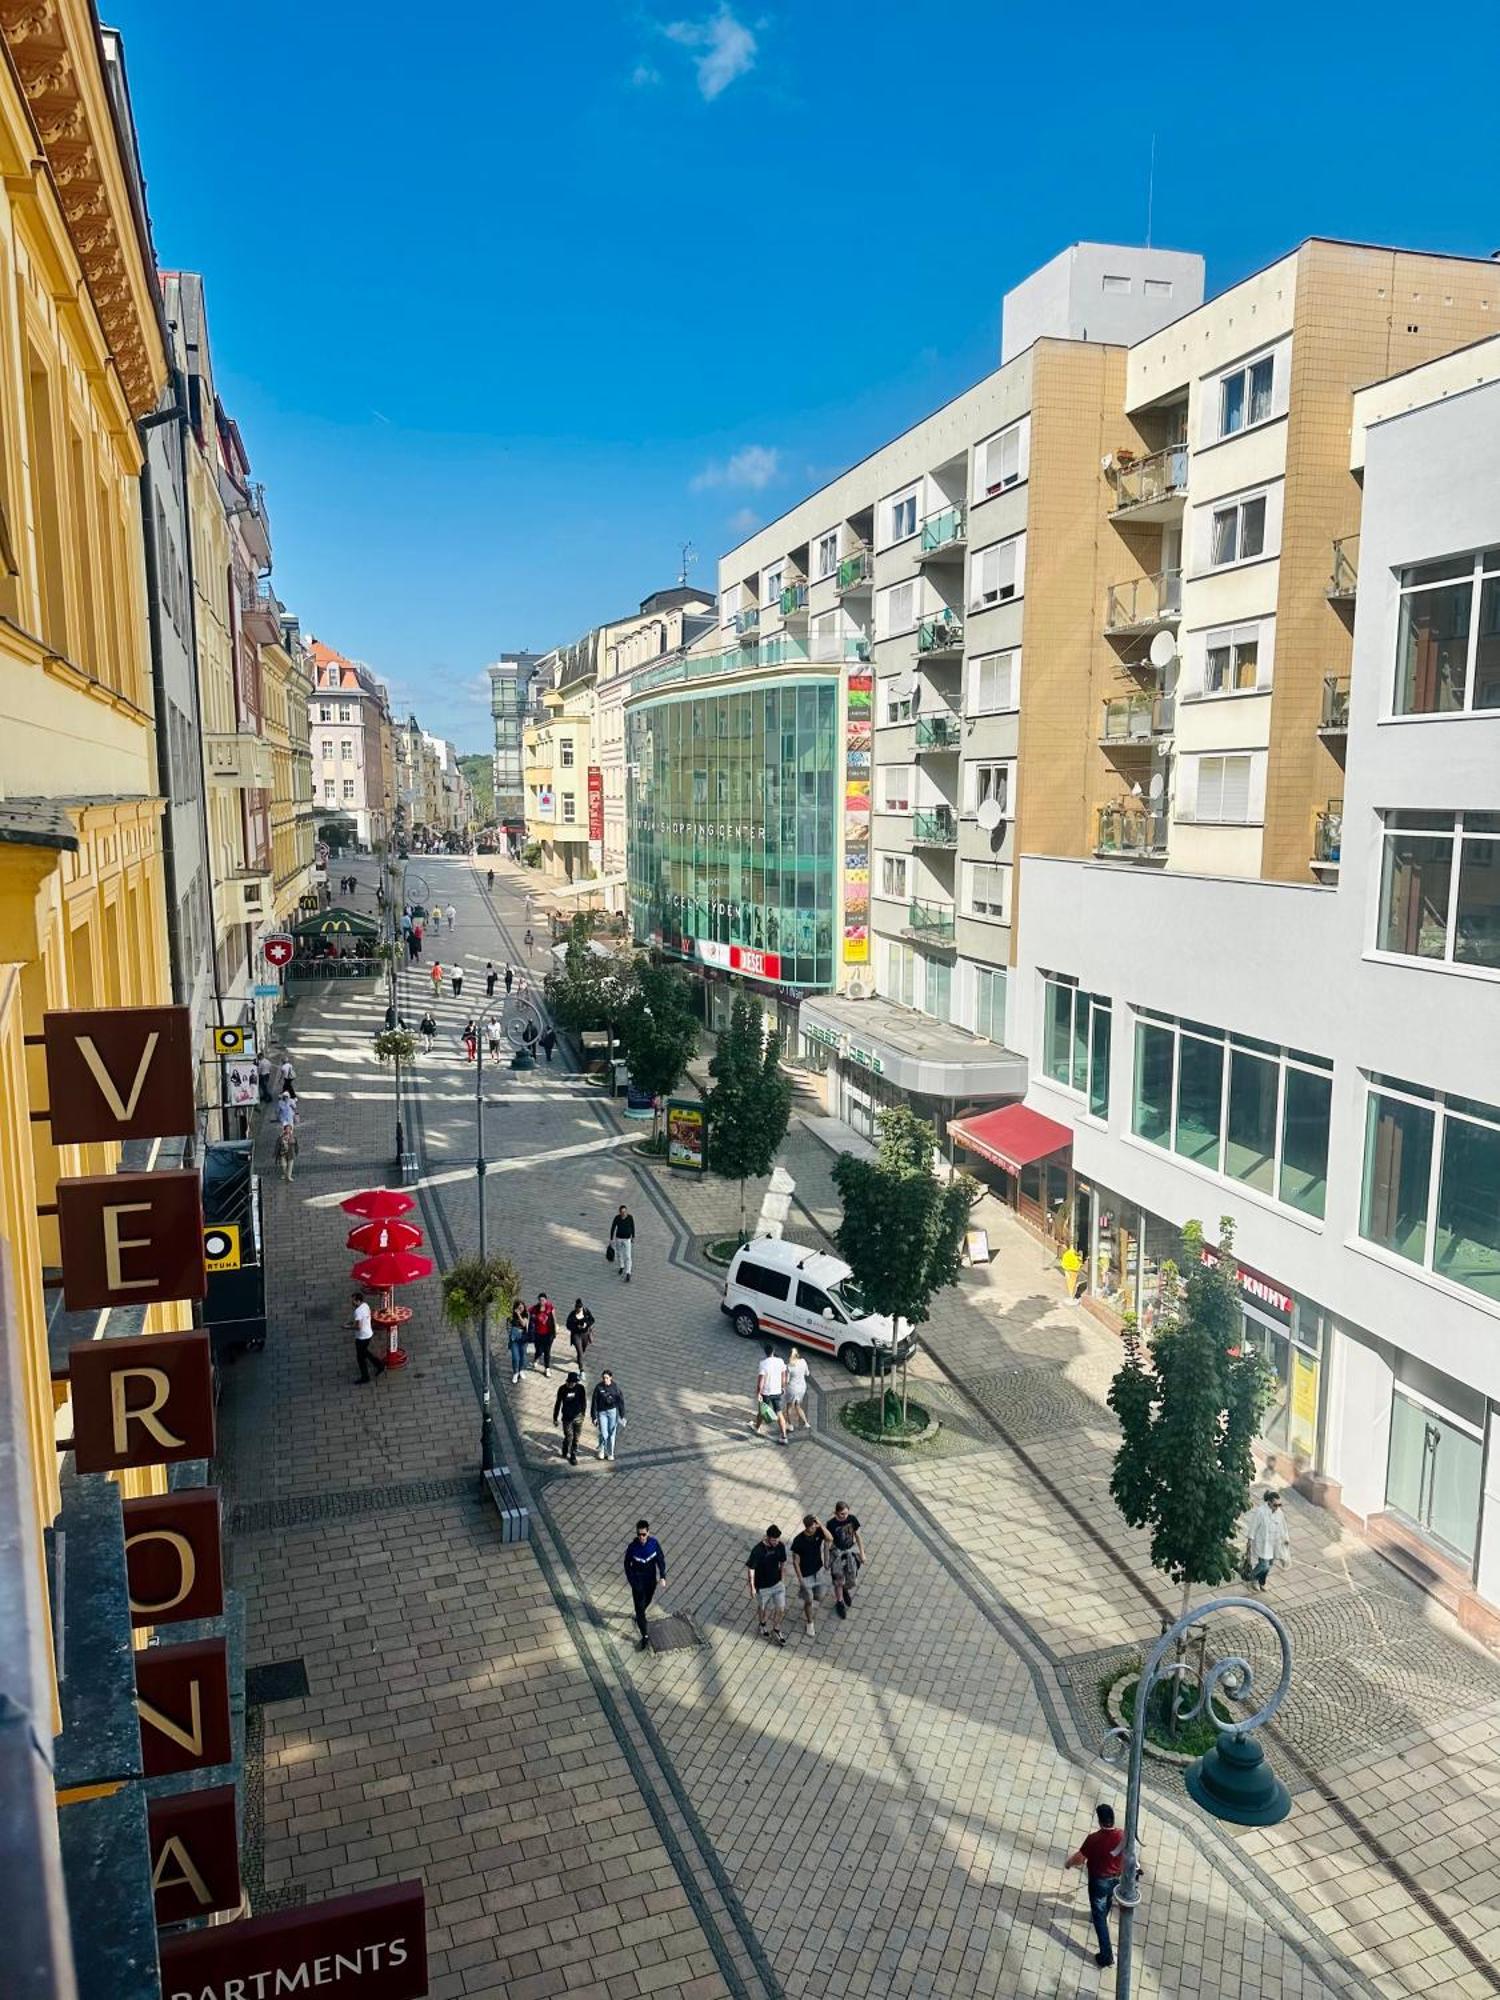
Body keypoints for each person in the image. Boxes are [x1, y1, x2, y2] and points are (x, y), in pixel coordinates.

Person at [1066, 1804, 1128, 1969]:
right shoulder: (1122, 1835)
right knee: (1106, 1901)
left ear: (1100, 1821)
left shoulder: (1093, 1839)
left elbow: (1079, 1858)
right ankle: (1102, 1913)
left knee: (1099, 1917)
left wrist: (1068, 1863)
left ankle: (1106, 1955)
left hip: (1099, 1881)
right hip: (1116, 1878)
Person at [624, 1520, 666, 1649]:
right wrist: (633, 1582)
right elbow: (627, 1565)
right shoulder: (632, 1548)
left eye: (643, 1534)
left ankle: (640, 1615)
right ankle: (645, 1636)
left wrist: (663, 1576)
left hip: (650, 1582)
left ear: (648, 1532)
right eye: (639, 1534)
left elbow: (660, 1560)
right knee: (640, 1609)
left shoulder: (654, 1544)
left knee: (646, 1602)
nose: (641, 1537)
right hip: (638, 1583)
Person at [746, 1525, 788, 1645]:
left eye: (778, 1539)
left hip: (777, 1584)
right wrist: (752, 1587)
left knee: (781, 1608)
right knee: (764, 1608)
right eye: (774, 1540)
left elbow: (783, 1562)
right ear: (767, 1537)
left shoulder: (780, 1546)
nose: (777, 1542)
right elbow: (751, 1569)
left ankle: (777, 1629)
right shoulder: (758, 1551)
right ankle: (763, 1624)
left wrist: (782, 1579)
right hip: (762, 1586)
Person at [791, 1515, 831, 1637]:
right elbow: (795, 1562)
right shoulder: (798, 1540)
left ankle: (809, 1602)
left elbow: (830, 1538)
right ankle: (810, 1623)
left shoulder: (819, 1531)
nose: (814, 1529)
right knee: (809, 1600)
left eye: (815, 1526)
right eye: (811, 1527)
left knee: (819, 1596)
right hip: (806, 1576)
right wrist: (800, 1579)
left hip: (818, 1571)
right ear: (806, 1527)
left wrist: (820, 1524)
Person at [1244, 1489, 1291, 1590]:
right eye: (1275, 1505)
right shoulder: (1261, 1512)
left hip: (1274, 1543)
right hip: (1263, 1543)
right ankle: (1251, 1577)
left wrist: (1286, 1538)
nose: (1277, 1507)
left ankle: (1261, 1582)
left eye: (1279, 1505)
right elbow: (1253, 1526)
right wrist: (1249, 1540)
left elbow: (1283, 1526)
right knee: (1264, 1565)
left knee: (1269, 1565)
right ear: (1269, 1502)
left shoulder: (1279, 1513)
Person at [826, 1501, 864, 1617]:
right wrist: (826, 1559)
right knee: (838, 1580)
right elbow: (827, 1542)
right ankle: (840, 1602)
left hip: (849, 1553)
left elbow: (858, 1536)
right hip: (837, 1553)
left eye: (846, 1513)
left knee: (851, 1578)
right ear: (836, 1513)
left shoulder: (852, 1519)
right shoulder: (831, 1524)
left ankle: (844, 1589)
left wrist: (862, 1553)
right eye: (842, 1514)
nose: (845, 1516)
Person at [753, 1342, 788, 1445]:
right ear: (773, 1351)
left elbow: (761, 1381)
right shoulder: (780, 1361)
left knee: (762, 1411)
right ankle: (784, 1436)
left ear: (765, 1352)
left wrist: (758, 1392)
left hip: (766, 1393)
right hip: (777, 1391)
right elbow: (784, 1376)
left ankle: (757, 1428)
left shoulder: (763, 1363)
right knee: (779, 1413)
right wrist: (782, 1387)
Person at [554, 1371, 588, 1464]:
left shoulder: (580, 1388)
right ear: (568, 1381)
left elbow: (583, 1401)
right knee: (569, 1436)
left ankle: (573, 1455)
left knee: (576, 1437)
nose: (574, 1384)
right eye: (573, 1382)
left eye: (576, 1382)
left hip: (578, 1416)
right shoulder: (562, 1389)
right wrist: (555, 1418)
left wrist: (583, 1413)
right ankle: (565, 1446)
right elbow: (558, 1403)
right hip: (567, 1417)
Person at [591, 1369, 625, 1461]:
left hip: (612, 1412)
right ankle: (602, 1451)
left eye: (606, 1378)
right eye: (603, 1378)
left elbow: (620, 1401)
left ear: (610, 1378)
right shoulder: (598, 1387)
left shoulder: (615, 1388)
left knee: (611, 1433)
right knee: (603, 1433)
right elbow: (594, 1402)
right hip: (602, 1413)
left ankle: (610, 1453)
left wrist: (622, 1415)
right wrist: (594, 1417)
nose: (605, 1379)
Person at [351, 1290, 384, 1383]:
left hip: (361, 1337)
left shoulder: (357, 1311)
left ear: (358, 1301)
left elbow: (358, 1327)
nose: (352, 1303)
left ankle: (365, 1377)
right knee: (365, 1352)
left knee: (360, 1358)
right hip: (368, 1333)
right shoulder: (365, 1305)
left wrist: (347, 1327)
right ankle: (380, 1365)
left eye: (353, 1301)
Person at [530, 1292, 557, 1375]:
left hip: (548, 1334)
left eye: (543, 1300)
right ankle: (536, 1358)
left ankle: (547, 1368)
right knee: (538, 1350)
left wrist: (555, 1329)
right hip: (538, 1334)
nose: (542, 1301)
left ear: (546, 1300)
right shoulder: (535, 1309)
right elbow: (528, 1312)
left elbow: (554, 1318)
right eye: (540, 1300)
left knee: (547, 1351)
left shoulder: (550, 1307)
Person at [785, 1347, 810, 1432]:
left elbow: (787, 1380)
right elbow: (807, 1373)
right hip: (802, 1387)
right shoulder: (803, 1361)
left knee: (789, 1407)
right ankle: (806, 1422)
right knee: (798, 1406)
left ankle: (790, 1424)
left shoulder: (789, 1366)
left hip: (792, 1388)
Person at [608, 1203, 635, 1281]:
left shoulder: (630, 1218)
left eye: (625, 1212)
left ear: (627, 1212)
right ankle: (621, 1266)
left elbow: (633, 1227)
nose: (624, 1213)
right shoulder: (617, 1218)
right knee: (619, 1254)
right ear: (619, 1212)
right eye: (622, 1212)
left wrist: (633, 1236)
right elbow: (613, 1228)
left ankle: (628, 1273)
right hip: (619, 1238)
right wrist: (611, 1239)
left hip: (627, 1239)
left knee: (628, 1256)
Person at [566, 1297, 595, 1370]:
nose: (579, 1310)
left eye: (580, 1308)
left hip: (585, 1334)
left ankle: (579, 1358)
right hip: (576, 1335)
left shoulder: (586, 1311)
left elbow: (592, 1320)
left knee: (583, 1348)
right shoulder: (572, 1315)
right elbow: (568, 1325)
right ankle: (581, 1369)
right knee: (580, 1352)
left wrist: (586, 1324)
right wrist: (576, 1327)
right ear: (575, 1308)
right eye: (578, 1309)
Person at [507, 1300, 528, 1383]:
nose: (521, 1309)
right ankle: (515, 1372)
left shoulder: (526, 1314)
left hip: (523, 1339)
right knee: (515, 1357)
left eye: (522, 1307)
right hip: (514, 1339)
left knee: (523, 1356)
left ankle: (521, 1370)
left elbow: (523, 1324)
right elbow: (508, 1326)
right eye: (519, 1307)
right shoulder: (511, 1316)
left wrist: (519, 1314)